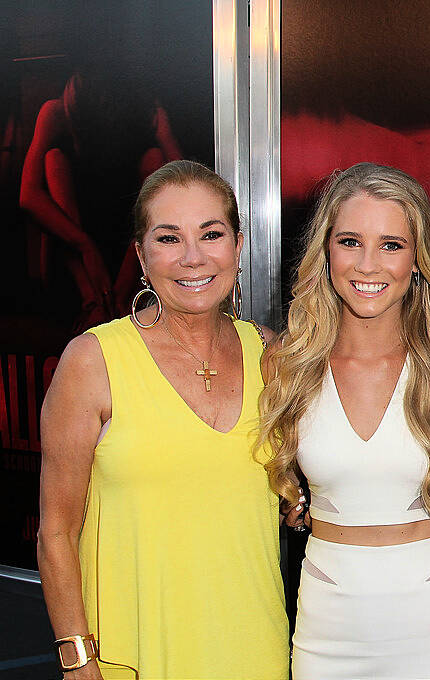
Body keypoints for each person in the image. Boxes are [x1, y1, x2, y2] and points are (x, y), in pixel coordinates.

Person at [36, 160, 289, 678]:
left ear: (238, 247)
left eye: (211, 234)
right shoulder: (93, 361)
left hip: (253, 648)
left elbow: (294, 484)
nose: (193, 258)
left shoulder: (270, 355)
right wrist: (77, 658)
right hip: (132, 653)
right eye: (169, 238)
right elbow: (56, 532)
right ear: (141, 256)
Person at [258, 162, 430, 679]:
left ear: (419, 260)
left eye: (391, 245)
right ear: (326, 252)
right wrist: (294, 499)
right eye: (350, 241)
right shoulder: (286, 364)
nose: (368, 264)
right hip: (326, 628)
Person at [20, 68, 182, 330]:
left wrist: (126, 275)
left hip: (130, 244)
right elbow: (28, 196)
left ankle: (119, 300)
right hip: (74, 251)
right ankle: (92, 301)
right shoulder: (57, 112)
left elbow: (184, 186)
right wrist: (85, 247)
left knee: (156, 163)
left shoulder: (142, 110)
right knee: (54, 162)